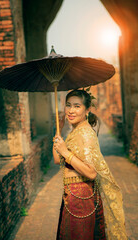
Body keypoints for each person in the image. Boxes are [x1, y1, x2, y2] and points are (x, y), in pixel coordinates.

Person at [53, 89, 127, 240]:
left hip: (81, 197)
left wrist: (66, 152)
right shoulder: (75, 131)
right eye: (68, 105)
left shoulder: (85, 133)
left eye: (77, 106)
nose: (71, 110)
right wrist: (59, 130)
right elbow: (57, 159)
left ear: (87, 110)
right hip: (72, 195)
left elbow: (91, 172)